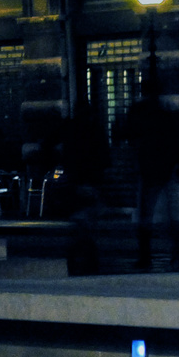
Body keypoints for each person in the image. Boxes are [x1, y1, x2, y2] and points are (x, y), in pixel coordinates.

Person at [122, 86, 179, 269]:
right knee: (173, 214)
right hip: (166, 169)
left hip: (149, 169)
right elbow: (176, 141)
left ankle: (145, 257)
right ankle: (176, 255)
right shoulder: (166, 113)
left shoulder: (140, 113)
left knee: (145, 216)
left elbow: (130, 135)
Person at [59, 103, 111, 275]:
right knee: (87, 225)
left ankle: (77, 260)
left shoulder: (70, 128)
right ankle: (88, 261)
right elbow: (105, 157)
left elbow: (53, 147)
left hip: (75, 181)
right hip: (91, 181)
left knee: (80, 223)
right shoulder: (95, 130)